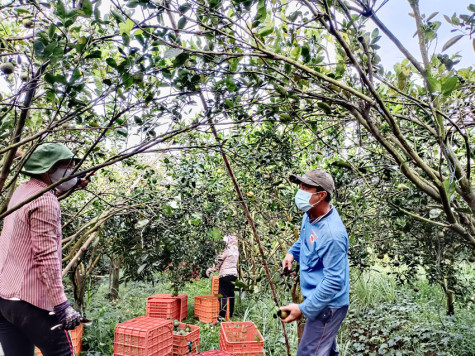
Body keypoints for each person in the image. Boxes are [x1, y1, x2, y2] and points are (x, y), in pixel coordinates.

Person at [0, 142, 88, 356]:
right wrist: (61, 305)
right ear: (50, 169)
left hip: (4, 299)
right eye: (68, 167)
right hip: (30, 303)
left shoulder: (24, 191)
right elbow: (46, 257)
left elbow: (40, 205)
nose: (72, 172)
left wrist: (73, 184)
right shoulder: (46, 202)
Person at [280, 169, 349, 356]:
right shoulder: (310, 214)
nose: (299, 191)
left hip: (329, 305)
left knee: (309, 353)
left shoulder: (332, 235)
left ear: (321, 194)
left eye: (305, 187)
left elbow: (334, 281)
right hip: (319, 298)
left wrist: (302, 309)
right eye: (300, 186)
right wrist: (291, 253)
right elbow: (304, 240)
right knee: (324, 350)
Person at [206, 234, 239, 320]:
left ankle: (221, 317)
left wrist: (210, 270)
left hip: (225, 275)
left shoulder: (226, 249)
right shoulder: (236, 249)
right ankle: (230, 314)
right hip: (234, 275)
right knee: (231, 294)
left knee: (222, 295)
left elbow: (219, 261)